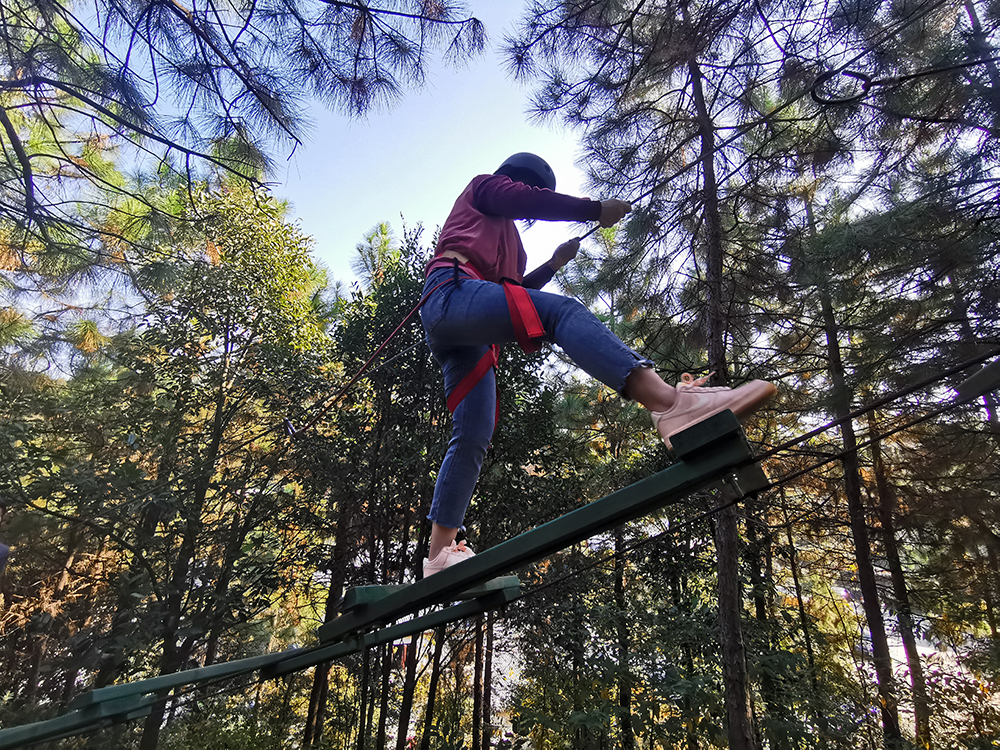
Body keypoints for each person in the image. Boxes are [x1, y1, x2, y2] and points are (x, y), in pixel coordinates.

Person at [419, 153, 775, 576]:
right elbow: (522, 202)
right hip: (450, 292)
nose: (532, 200)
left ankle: (439, 555)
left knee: (474, 430)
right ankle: (669, 404)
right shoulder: (483, 187)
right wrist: (594, 209)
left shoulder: (511, 244)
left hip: (468, 324)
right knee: (563, 313)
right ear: (521, 181)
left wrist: (553, 264)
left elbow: (512, 295)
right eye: (535, 191)